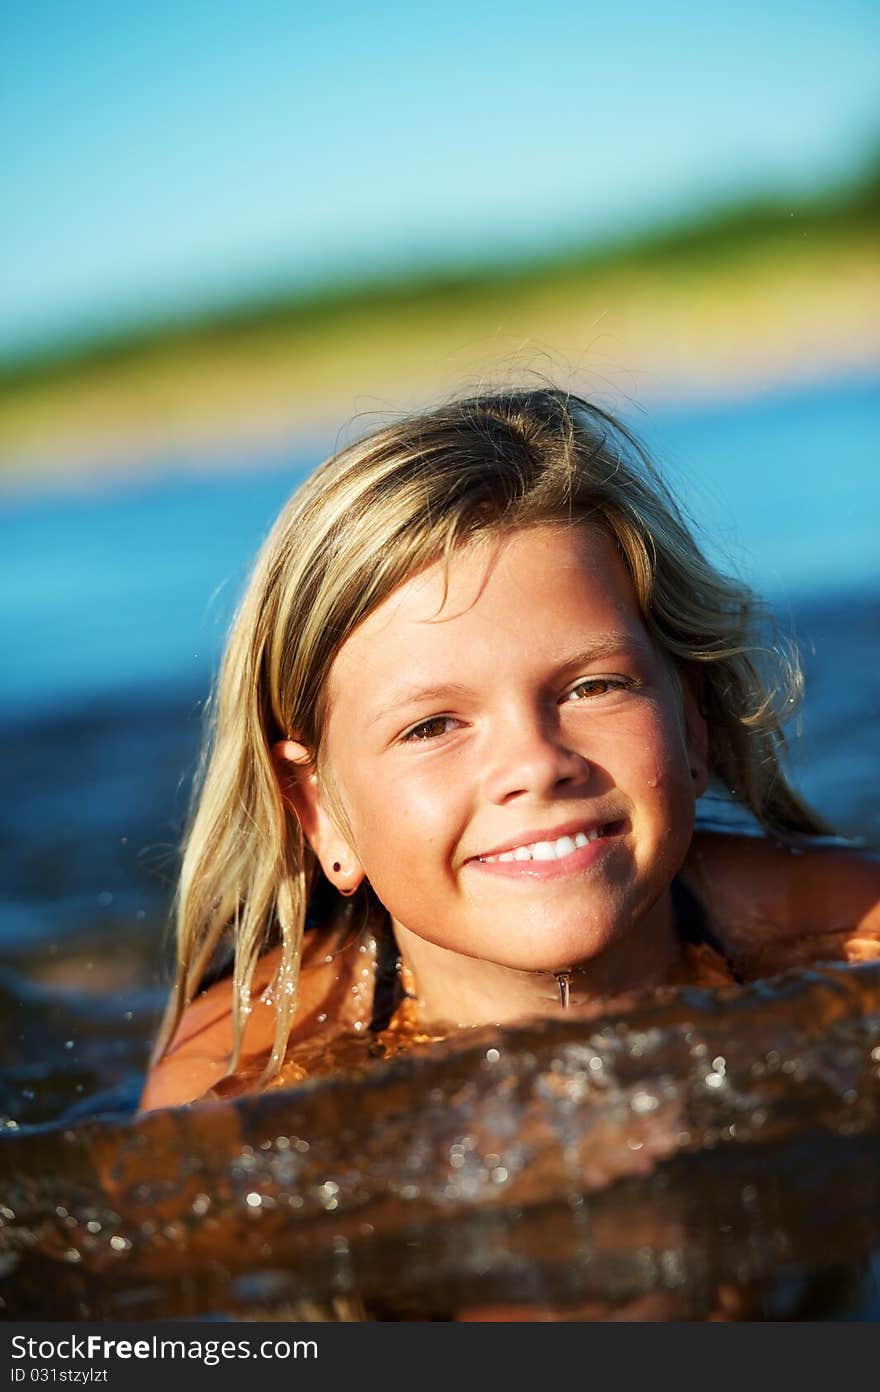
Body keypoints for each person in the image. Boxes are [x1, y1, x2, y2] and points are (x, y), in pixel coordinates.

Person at [139, 387, 880, 1113]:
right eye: (432, 726)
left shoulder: (845, 934)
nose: (535, 763)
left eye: (593, 687)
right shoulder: (238, 1085)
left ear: (689, 722)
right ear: (319, 810)